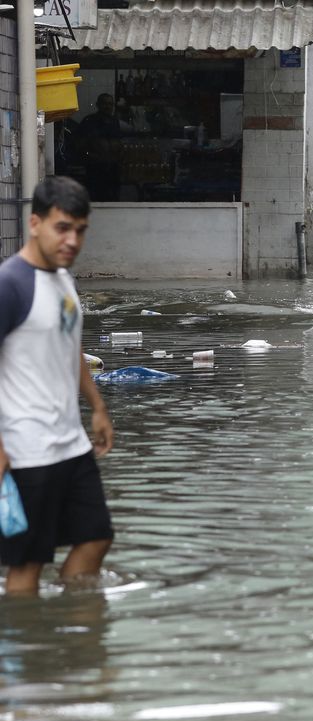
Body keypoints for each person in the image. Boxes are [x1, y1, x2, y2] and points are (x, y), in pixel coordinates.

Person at [0, 177, 115, 597]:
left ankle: (72, 636)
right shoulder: (10, 284)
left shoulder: (63, 278)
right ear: (35, 223)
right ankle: (30, 653)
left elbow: (70, 344)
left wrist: (97, 407)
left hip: (70, 443)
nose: (72, 240)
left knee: (96, 537)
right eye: (62, 227)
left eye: (80, 230)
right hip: (26, 451)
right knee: (27, 566)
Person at [76, 93, 121, 202]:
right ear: (98, 105)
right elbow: (80, 146)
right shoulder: (89, 121)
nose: (108, 106)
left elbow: (117, 143)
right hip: (95, 169)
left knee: (112, 200)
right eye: (104, 103)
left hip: (112, 169)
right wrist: (91, 156)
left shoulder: (114, 122)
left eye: (110, 104)